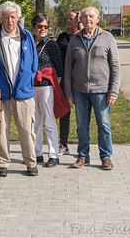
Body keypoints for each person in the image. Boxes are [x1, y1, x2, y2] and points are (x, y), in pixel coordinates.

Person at [64, 6, 120, 170]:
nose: (88, 19)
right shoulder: (75, 40)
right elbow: (68, 69)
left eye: (91, 16)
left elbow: (115, 67)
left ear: (97, 19)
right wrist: (68, 92)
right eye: (85, 16)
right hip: (79, 91)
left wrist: (114, 90)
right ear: (80, 19)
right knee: (82, 125)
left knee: (103, 124)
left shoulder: (107, 38)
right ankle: (83, 156)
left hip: (102, 91)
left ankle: (106, 157)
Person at [0, 1, 39, 177]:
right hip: (1, 92)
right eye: (6, 17)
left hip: (23, 92)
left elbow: (33, 64)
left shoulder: (27, 37)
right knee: (1, 129)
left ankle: (30, 163)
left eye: (12, 17)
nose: (9, 21)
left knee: (27, 129)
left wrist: (28, 81)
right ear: (1, 19)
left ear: (18, 17)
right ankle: (2, 163)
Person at [31, 14, 67, 168]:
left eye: (45, 26)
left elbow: (59, 69)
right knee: (35, 122)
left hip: (46, 85)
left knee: (49, 120)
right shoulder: (28, 43)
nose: (43, 29)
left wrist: (52, 84)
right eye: (40, 26)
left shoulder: (51, 45)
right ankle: (37, 152)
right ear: (34, 27)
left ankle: (53, 154)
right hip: (31, 86)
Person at [56, 9, 82, 155]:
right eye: (67, 18)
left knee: (81, 113)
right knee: (65, 112)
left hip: (79, 79)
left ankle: (82, 145)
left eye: (71, 18)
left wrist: (81, 24)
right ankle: (63, 143)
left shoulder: (83, 36)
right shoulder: (62, 37)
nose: (68, 21)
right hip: (65, 80)